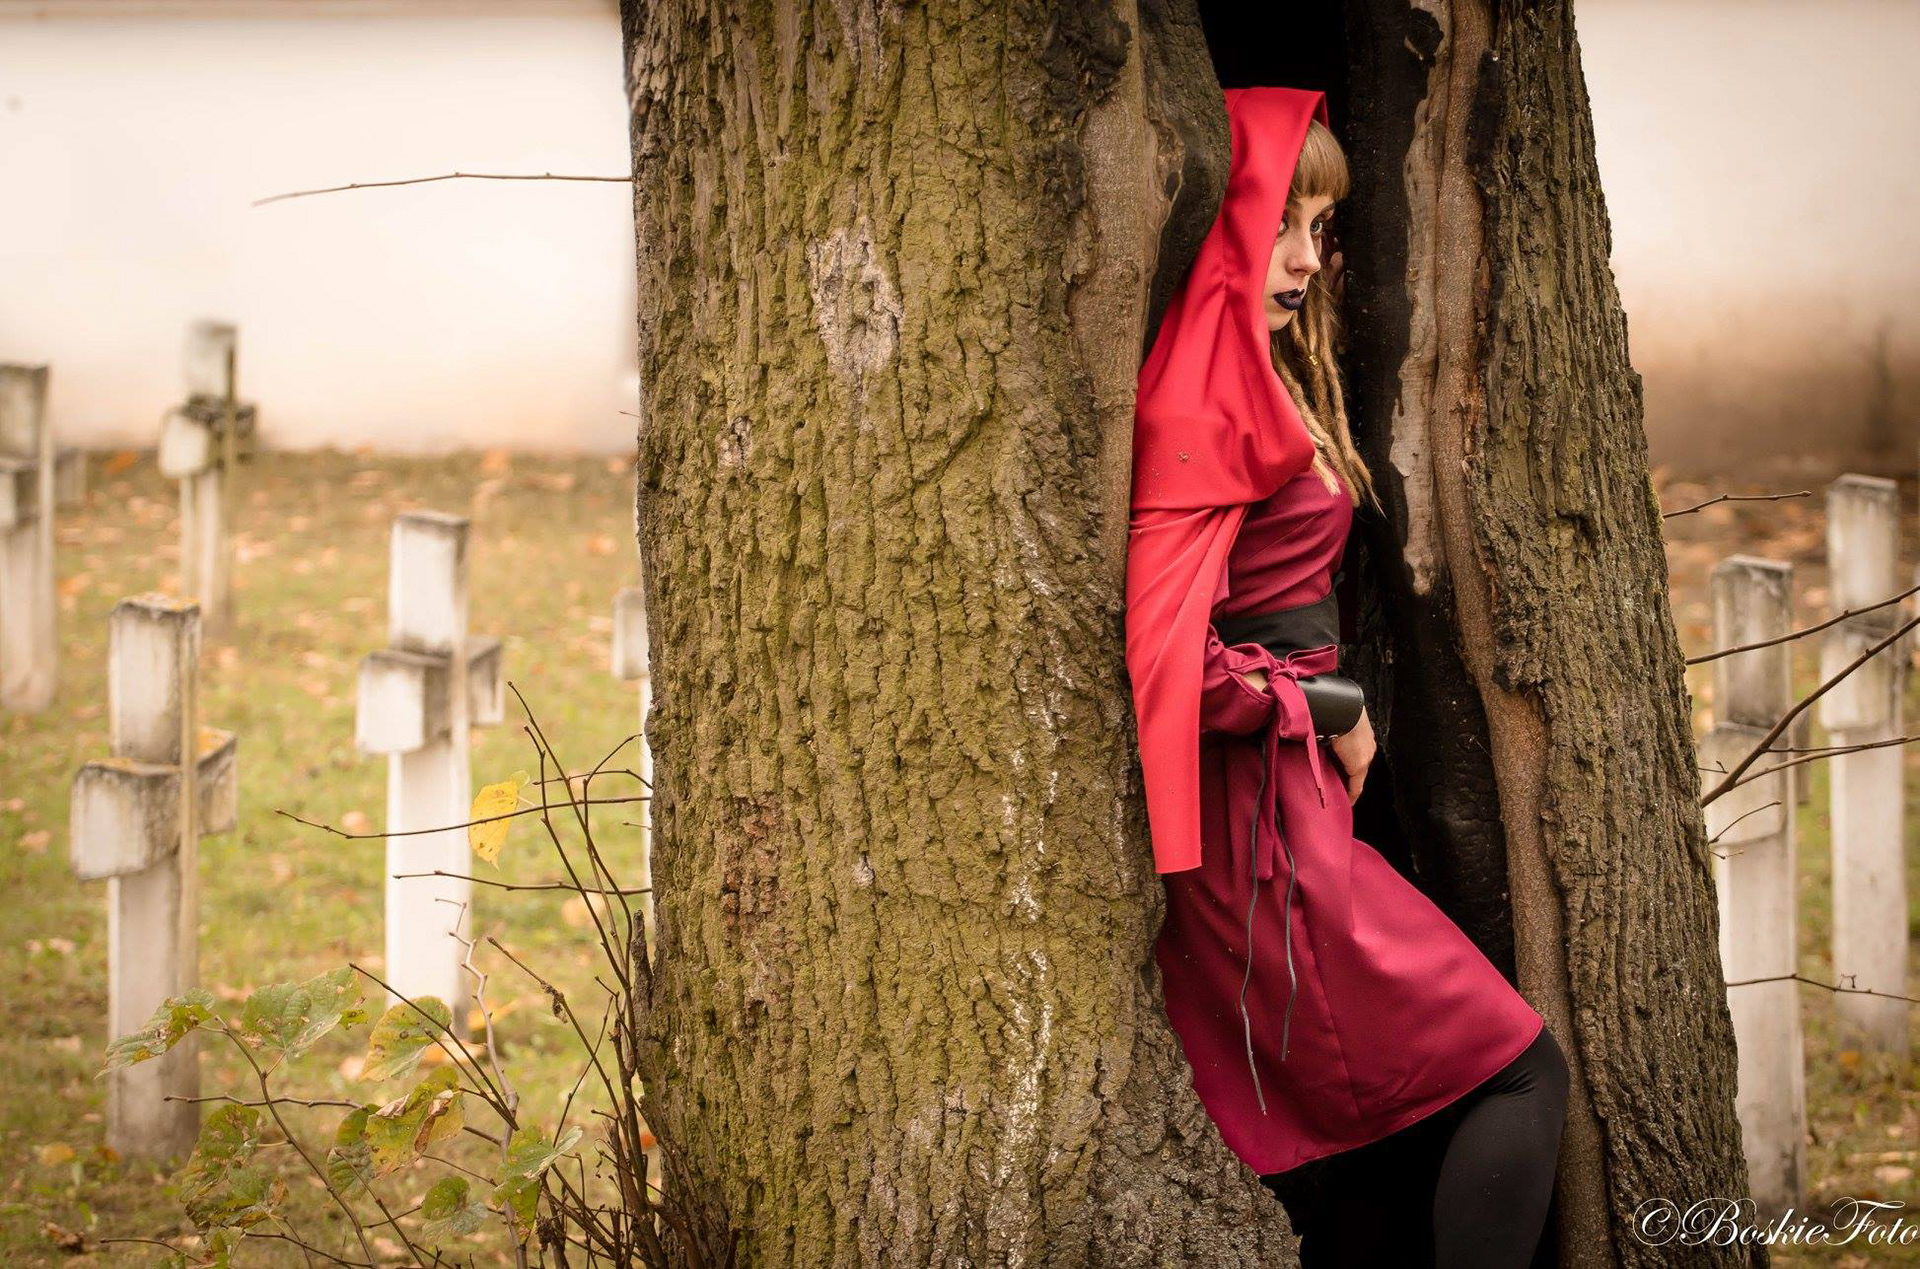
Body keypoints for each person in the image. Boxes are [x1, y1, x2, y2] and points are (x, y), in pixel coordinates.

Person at [1124, 86, 1570, 1268]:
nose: (1306, 258)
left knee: (1354, 1151)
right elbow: (1168, 658)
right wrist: (1330, 705)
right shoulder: (1200, 398)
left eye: (1320, 228)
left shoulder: (1253, 376)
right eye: (1279, 222)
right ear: (1221, 224)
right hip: (1255, 832)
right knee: (1521, 1071)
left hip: (1289, 807)